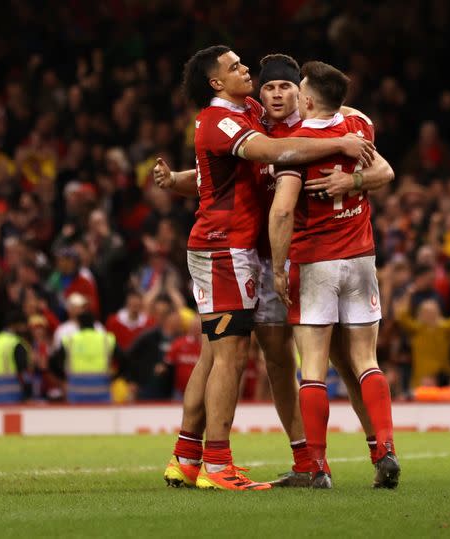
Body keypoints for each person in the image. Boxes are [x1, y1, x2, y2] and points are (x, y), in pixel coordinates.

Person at [157, 53, 392, 489]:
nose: (275, 92)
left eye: (286, 86)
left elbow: (382, 168)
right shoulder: (254, 125)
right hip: (253, 256)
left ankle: (379, 449)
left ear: (301, 93)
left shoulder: (320, 120)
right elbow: (238, 164)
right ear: (260, 96)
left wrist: (354, 177)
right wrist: (178, 181)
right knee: (266, 357)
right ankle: (300, 459)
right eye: (268, 86)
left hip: (306, 258)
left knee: (336, 357)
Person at [269, 61, 399, 489]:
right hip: (361, 258)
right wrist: (355, 180)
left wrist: (277, 265)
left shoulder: (296, 142)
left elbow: (285, 209)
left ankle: (318, 467)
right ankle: (385, 451)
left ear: (306, 99)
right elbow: (385, 172)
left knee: (313, 369)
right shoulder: (359, 124)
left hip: (316, 261)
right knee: (367, 361)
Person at [62, 311, 116, 403]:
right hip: (102, 394)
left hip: (76, 395)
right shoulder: (106, 339)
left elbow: (53, 361)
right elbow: (124, 360)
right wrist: (114, 377)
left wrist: (64, 378)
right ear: (94, 323)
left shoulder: (71, 340)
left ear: (79, 324)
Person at [0, 311, 32, 403]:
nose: (25, 328)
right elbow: (23, 372)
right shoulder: (16, 343)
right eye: (23, 325)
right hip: (14, 399)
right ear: (17, 325)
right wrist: (28, 395)